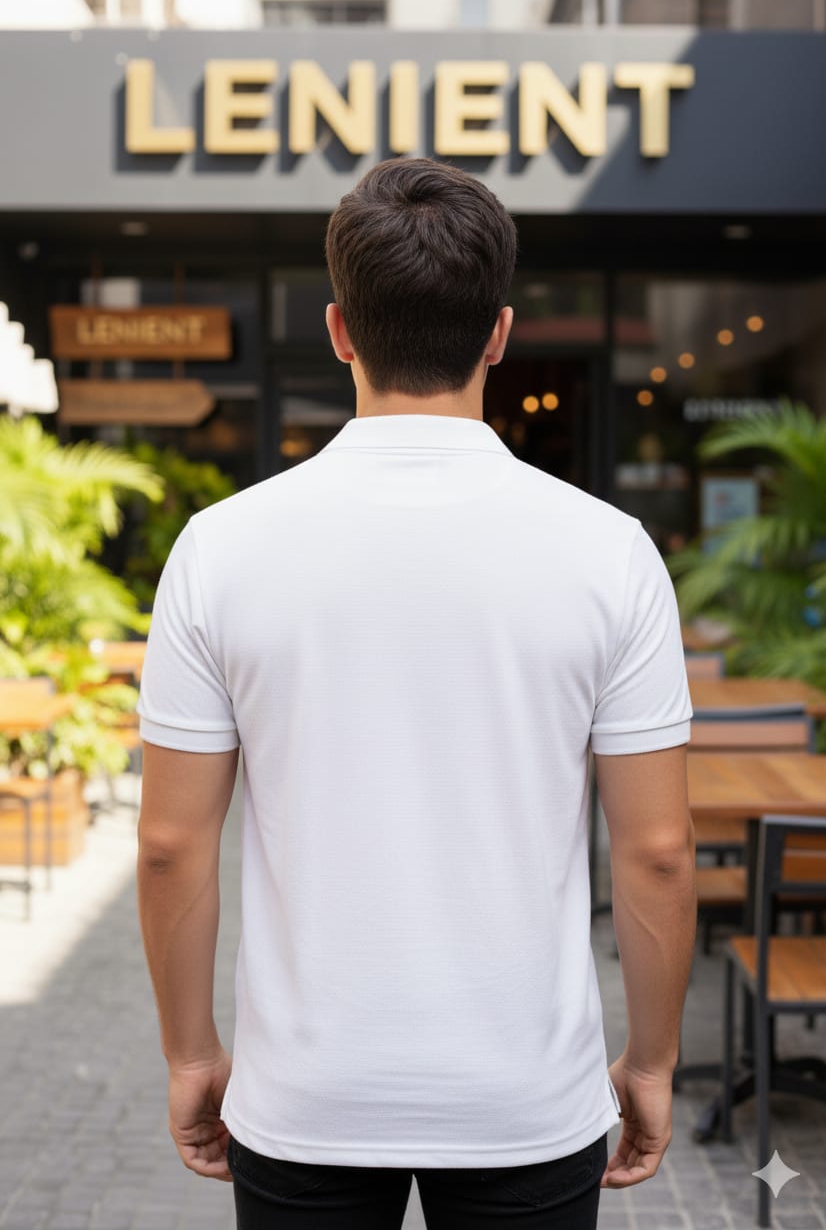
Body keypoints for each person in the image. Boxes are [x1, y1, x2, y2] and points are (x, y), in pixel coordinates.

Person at [137, 156, 697, 1230]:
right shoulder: (609, 553)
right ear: (498, 332)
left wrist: (192, 1052)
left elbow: (170, 844)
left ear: (341, 331)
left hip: (303, 1095)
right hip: (526, 1098)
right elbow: (657, 850)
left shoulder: (220, 549)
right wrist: (653, 1062)